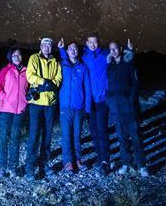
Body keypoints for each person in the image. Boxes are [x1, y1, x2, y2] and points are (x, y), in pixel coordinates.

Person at [60, 34, 134, 175]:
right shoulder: (84, 56)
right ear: (86, 43)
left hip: (102, 100)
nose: (93, 45)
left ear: (98, 42)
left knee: (102, 130)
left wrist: (129, 51)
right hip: (89, 101)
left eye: (95, 42)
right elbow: (69, 58)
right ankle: (100, 158)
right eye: (90, 42)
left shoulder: (105, 55)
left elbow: (119, 57)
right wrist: (62, 50)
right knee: (93, 131)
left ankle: (105, 160)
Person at [106, 41, 149, 177]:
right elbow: (109, 86)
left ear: (120, 49)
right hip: (116, 110)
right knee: (122, 139)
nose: (113, 51)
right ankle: (126, 163)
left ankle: (142, 166)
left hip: (129, 109)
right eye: (111, 49)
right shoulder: (110, 66)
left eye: (115, 48)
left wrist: (130, 100)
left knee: (136, 138)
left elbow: (136, 84)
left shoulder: (129, 63)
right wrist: (109, 101)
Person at [25, 37, 62, 180]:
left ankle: (44, 164)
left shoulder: (55, 62)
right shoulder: (34, 58)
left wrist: (51, 84)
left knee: (47, 136)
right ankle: (30, 167)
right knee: (34, 135)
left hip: (50, 103)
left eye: (49, 46)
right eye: (44, 45)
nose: (47, 48)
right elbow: (30, 75)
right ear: (40, 46)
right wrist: (44, 82)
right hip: (37, 103)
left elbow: (58, 78)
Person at [0, 47, 28, 177]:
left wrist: (26, 101)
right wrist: (5, 99)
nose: (17, 57)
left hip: (20, 110)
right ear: (10, 57)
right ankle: (1, 168)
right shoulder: (6, 70)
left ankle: (13, 167)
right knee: (3, 138)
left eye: (19, 55)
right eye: (14, 55)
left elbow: (29, 89)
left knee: (15, 138)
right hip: (5, 110)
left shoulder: (26, 71)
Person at [58, 42, 92, 173]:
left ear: (78, 51)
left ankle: (78, 159)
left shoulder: (82, 67)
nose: (73, 50)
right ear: (67, 51)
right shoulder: (63, 65)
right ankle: (67, 162)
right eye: (70, 49)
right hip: (65, 106)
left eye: (75, 49)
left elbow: (87, 88)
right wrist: (61, 49)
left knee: (77, 135)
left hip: (79, 107)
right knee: (66, 135)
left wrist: (87, 107)